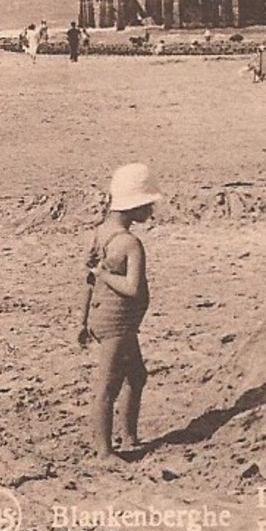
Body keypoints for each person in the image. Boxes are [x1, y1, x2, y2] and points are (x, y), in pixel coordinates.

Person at [79, 163, 161, 460]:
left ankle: (129, 436)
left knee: (136, 376)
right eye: (148, 204)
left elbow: (87, 280)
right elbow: (132, 289)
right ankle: (104, 451)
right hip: (117, 322)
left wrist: (82, 320)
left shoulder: (100, 233)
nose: (151, 211)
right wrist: (105, 275)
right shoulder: (130, 244)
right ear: (135, 204)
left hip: (108, 318)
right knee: (108, 384)